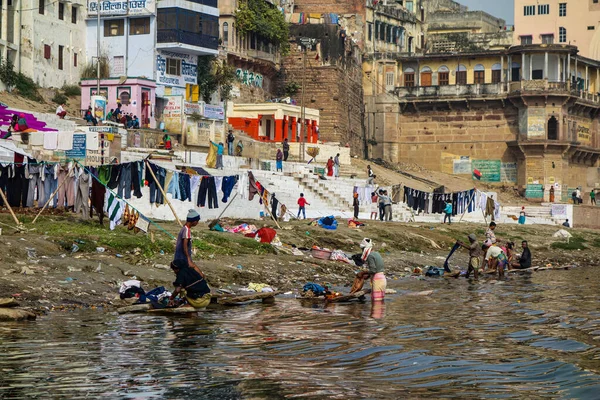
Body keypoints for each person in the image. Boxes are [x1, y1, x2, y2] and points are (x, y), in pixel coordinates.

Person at [174, 210, 203, 276]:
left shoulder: (184, 228)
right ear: (194, 221)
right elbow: (185, 246)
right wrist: (189, 259)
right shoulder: (187, 230)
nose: (197, 223)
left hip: (180, 257)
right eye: (197, 221)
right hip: (182, 258)